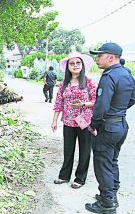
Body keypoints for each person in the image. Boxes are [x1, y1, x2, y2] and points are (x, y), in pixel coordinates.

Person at [85, 43, 135, 213]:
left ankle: (107, 204)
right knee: (112, 161)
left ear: (111, 57)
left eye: (100, 55)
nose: (97, 59)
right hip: (120, 124)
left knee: (103, 164)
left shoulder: (109, 76)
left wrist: (93, 125)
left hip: (107, 127)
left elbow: (101, 105)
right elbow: (133, 98)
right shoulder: (127, 75)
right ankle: (111, 196)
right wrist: (118, 111)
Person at [51, 52, 97, 189]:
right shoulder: (64, 84)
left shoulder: (89, 82)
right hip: (68, 122)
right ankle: (64, 176)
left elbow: (96, 101)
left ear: (82, 65)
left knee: (84, 151)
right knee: (68, 150)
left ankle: (80, 179)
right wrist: (54, 121)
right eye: (72, 63)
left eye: (78, 63)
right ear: (68, 67)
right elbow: (58, 102)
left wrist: (83, 104)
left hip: (85, 122)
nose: (75, 65)